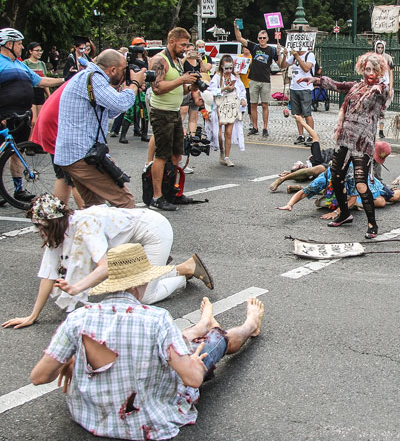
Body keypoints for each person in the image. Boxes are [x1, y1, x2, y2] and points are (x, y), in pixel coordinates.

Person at [29, 242, 264, 440]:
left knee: (157, 343)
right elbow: (192, 379)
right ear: (139, 282)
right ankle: (248, 325)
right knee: (213, 342)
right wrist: (193, 363)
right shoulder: (156, 319)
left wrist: (69, 361)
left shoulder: (79, 318)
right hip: (144, 420)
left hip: (90, 417)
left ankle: (201, 325)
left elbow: (39, 377)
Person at [2, 195, 214, 329]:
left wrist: (76, 287)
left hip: (154, 232)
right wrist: (32, 315)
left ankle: (185, 271)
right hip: (129, 237)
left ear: (54, 223)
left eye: (42, 227)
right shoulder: (59, 231)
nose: (40, 232)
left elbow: (105, 267)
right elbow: (48, 274)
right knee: (127, 286)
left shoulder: (85, 225)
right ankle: (180, 268)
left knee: (144, 296)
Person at [301, 52, 390, 238]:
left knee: (360, 185)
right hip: (345, 140)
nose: (370, 73)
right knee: (336, 178)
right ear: (362, 69)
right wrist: (315, 80)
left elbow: (385, 91)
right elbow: (337, 85)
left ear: (380, 71)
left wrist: (379, 86)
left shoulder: (380, 89)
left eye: (374, 69)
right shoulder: (356, 86)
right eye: (367, 69)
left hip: (362, 143)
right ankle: (344, 214)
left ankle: (372, 224)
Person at [54, 49, 143, 208]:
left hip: (75, 153)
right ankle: (126, 233)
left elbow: (112, 111)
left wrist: (125, 89)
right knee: (124, 201)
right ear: (113, 69)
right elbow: (121, 103)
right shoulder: (94, 78)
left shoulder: (89, 77)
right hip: (81, 154)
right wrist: (134, 84)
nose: (125, 74)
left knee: (95, 206)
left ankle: (89, 232)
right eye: (123, 70)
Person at [0, 28, 63, 202]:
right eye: (19, 44)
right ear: (9, 44)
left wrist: (66, 80)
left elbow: (42, 81)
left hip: (20, 115)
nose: (21, 47)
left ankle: (19, 189)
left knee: (16, 151)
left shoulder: (20, 64)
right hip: (3, 115)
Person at [148, 27, 201, 211]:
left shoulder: (177, 61)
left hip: (174, 111)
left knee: (177, 153)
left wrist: (191, 87)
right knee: (161, 155)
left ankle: (172, 191)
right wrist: (181, 81)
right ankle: (157, 196)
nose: (185, 48)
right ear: (172, 42)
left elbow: (178, 87)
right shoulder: (160, 60)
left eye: (187, 44)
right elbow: (157, 87)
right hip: (161, 112)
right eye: (183, 44)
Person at [234, 26, 284, 137]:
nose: (262, 39)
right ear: (257, 39)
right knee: (253, 104)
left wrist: (279, 53)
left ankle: (265, 128)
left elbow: (280, 64)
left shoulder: (272, 50)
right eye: (260, 38)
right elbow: (239, 38)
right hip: (254, 80)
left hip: (265, 80)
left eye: (264, 38)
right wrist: (236, 27)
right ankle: (255, 126)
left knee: (265, 104)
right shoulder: (254, 47)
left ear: (267, 38)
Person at [269, 116, 333, 192]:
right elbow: (314, 136)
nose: (296, 164)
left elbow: (304, 173)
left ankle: (298, 187)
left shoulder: (314, 165)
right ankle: (282, 180)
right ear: (301, 166)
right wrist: (301, 121)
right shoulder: (316, 160)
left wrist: (290, 173)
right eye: (296, 166)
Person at [208, 55, 246, 167]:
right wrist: (224, 89)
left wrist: (243, 99)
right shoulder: (217, 77)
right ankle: (222, 151)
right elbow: (212, 91)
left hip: (232, 104)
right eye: (226, 68)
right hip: (221, 105)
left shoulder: (235, 78)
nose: (229, 71)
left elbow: (242, 90)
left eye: (230, 68)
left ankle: (227, 157)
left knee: (229, 132)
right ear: (222, 67)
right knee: (220, 134)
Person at [279, 45, 316, 145]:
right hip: (294, 87)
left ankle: (311, 136)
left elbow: (306, 68)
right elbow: (283, 66)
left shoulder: (309, 55)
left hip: (305, 88)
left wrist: (298, 57)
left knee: (307, 113)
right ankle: (301, 135)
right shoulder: (294, 56)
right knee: (297, 114)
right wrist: (284, 56)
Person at [23, 42, 50, 127]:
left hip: (40, 92)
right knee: (33, 120)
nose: (39, 52)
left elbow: (45, 80)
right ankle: (30, 139)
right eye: (37, 50)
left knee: (40, 119)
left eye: (41, 50)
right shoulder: (25, 63)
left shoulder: (42, 64)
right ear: (30, 51)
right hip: (30, 91)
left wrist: (49, 95)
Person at [374, 40, 394, 138]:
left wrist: (390, 88)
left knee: (383, 110)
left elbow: (391, 73)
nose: (380, 49)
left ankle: (381, 130)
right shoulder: (372, 58)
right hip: (376, 85)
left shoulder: (388, 58)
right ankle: (373, 129)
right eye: (379, 47)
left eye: (382, 47)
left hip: (385, 85)